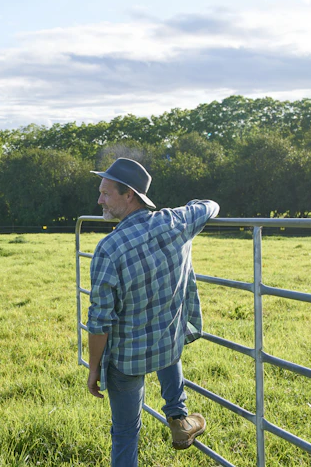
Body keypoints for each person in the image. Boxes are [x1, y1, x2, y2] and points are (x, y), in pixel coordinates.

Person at [86, 157, 220, 467]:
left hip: (127, 359)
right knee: (167, 337)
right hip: (166, 344)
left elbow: (99, 321)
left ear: (129, 194)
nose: (99, 200)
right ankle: (179, 418)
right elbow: (210, 205)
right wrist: (183, 208)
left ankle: (177, 418)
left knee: (124, 432)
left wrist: (94, 369)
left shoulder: (109, 247)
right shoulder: (177, 221)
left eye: (106, 193)